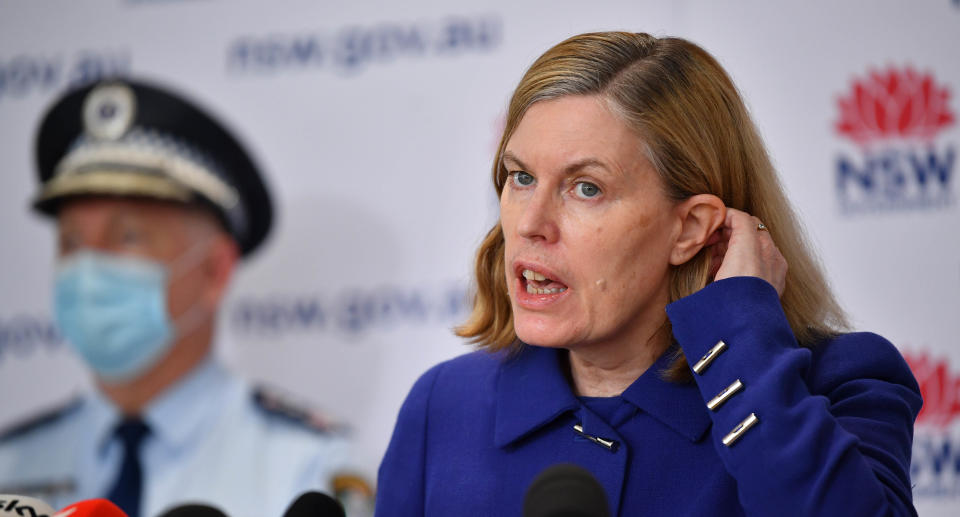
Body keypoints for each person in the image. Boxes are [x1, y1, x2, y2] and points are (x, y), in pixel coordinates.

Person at [375, 32, 922, 516]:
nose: (531, 224)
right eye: (520, 177)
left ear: (690, 229)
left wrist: (744, 328)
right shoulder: (444, 406)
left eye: (585, 187)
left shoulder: (837, 383)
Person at [0, 78, 351, 517]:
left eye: (127, 236)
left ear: (214, 270)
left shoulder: (308, 468)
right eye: (70, 242)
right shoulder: (9, 464)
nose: (88, 269)